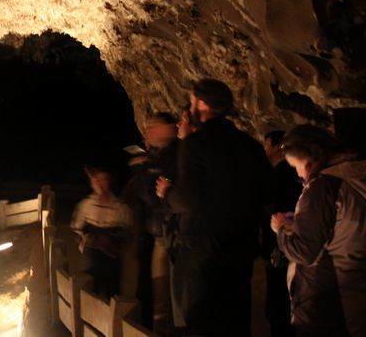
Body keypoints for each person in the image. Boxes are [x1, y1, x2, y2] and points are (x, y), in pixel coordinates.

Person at [156, 79, 273, 336]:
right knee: (235, 319)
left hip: (203, 248)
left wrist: (167, 193)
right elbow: (266, 193)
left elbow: (187, 199)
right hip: (241, 246)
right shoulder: (251, 145)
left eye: (192, 100)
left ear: (203, 104)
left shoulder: (197, 144)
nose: (190, 106)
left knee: (200, 319)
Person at [271, 125, 366, 337]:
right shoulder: (355, 172)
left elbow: (304, 251)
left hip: (328, 295)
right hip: (356, 285)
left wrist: (280, 230)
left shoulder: (322, 188)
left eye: (296, 166)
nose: (298, 174)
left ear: (309, 160)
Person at [123, 114, 179, 329]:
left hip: (166, 234)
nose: (149, 131)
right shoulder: (160, 157)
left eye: (154, 126)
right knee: (159, 293)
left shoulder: (175, 156)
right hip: (156, 233)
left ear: (170, 128)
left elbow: (154, 197)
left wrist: (143, 172)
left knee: (163, 294)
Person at [262, 130, 301, 337]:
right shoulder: (282, 172)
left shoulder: (283, 172)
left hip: (281, 242)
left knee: (278, 299)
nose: (264, 148)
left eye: (267, 143)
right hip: (280, 241)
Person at [72, 165, 133, 300]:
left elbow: (127, 235)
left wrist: (110, 241)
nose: (99, 184)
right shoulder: (85, 205)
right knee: (89, 294)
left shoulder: (120, 208)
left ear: (109, 181)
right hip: (90, 259)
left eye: (103, 180)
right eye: (95, 181)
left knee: (112, 295)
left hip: (111, 261)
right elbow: (76, 231)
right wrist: (86, 242)